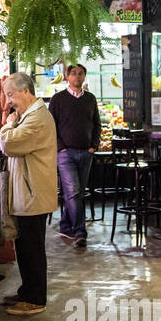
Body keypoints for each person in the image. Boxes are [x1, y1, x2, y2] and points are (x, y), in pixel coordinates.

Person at [0, 72, 58, 316]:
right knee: (24, 246)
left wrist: (8, 125)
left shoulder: (38, 119)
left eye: (11, 95)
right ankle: (27, 290)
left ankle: (35, 298)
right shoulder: (28, 115)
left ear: (26, 91)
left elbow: (9, 145)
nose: (8, 101)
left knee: (32, 247)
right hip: (27, 192)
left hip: (34, 193)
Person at [48, 63, 100, 247]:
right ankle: (80, 232)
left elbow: (97, 125)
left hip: (86, 153)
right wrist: (61, 148)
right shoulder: (58, 99)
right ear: (67, 77)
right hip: (65, 154)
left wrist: (93, 146)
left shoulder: (90, 99)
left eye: (81, 73)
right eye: (74, 73)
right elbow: (50, 126)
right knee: (73, 192)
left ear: (84, 77)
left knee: (76, 194)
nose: (77, 77)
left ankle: (65, 225)